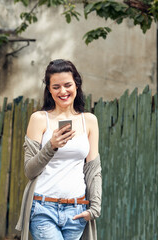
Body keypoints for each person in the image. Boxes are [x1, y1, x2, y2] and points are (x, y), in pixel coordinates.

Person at [15, 59, 102, 240]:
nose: (62, 91)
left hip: (76, 210)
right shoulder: (39, 119)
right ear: (49, 89)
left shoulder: (89, 121)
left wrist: (94, 208)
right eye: (56, 87)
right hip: (42, 207)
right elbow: (29, 171)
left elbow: (93, 169)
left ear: (77, 85)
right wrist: (51, 146)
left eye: (67, 85)